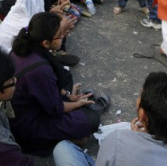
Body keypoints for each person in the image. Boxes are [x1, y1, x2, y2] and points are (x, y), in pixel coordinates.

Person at [10, 12, 109, 156]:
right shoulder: (40, 70)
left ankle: (76, 110)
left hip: (34, 105)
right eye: (60, 35)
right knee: (91, 120)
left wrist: (67, 94)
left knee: (66, 76)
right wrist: (78, 104)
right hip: (29, 125)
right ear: (45, 43)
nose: (63, 37)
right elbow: (55, 109)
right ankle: (68, 138)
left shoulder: (25, 46)